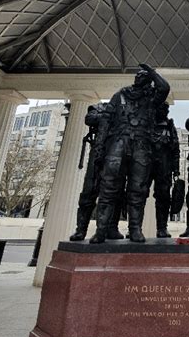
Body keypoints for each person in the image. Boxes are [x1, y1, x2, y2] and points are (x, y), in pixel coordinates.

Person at [90, 64, 170, 244]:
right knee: (109, 188)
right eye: (138, 74)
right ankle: (101, 230)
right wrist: (100, 147)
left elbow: (164, 88)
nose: (138, 76)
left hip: (141, 146)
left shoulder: (151, 98)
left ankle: (135, 229)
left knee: (138, 189)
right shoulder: (120, 95)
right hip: (118, 143)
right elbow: (106, 121)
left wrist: (152, 71)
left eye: (143, 75)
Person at [70, 103, 123, 242]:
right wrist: (112, 116)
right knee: (89, 190)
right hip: (99, 151)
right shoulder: (101, 107)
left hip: (120, 153)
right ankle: (81, 230)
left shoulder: (129, 109)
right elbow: (90, 118)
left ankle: (111, 228)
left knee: (116, 193)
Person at [149, 103, 180, 238]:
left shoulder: (169, 126)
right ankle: (133, 228)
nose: (165, 111)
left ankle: (162, 227)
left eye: (166, 109)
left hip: (164, 167)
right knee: (137, 194)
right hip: (145, 164)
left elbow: (175, 148)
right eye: (161, 108)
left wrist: (176, 169)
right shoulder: (146, 124)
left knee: (163, 197)